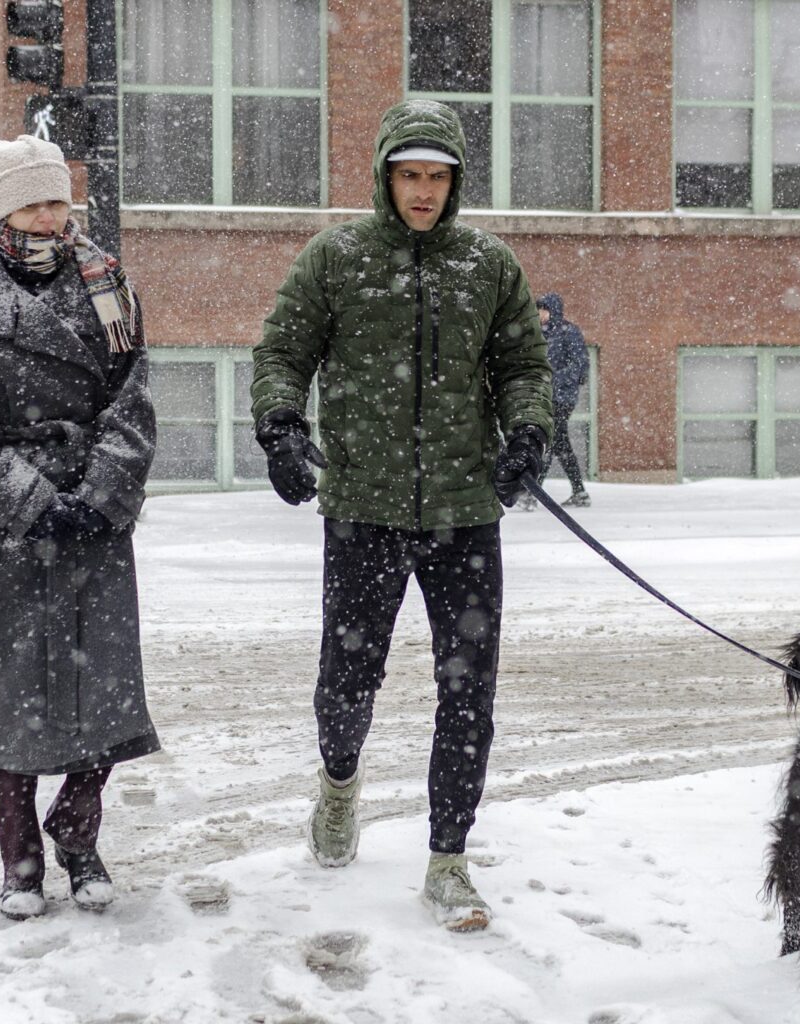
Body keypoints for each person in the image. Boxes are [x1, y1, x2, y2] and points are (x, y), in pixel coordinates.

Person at [250, 100, 553, 932]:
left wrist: (528, 430)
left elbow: (524, 363)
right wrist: (280, 425)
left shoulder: (488, 267)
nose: (423, 191)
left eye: (438, 176)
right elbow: (283, 350)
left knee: (468, 692)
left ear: (457, 182)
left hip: (463, 510)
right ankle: (339, 787)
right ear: (386, 175)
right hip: (364, 506)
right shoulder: (337, 259)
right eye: (410, 175)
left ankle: (449, 858)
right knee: (348, 678)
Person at [0, 134, 158, 921]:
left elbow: (133, 399)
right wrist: (32, 503)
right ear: (2, 207)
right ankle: (21, 862)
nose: (47, 216)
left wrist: (97, 496)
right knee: (12, 699)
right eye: (31, 202)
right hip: (8, 526)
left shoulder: (107, 281)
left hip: (97, 515)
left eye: (57, 200)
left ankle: (80, 834)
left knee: (104, 690)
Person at [522, 293, 591, 509]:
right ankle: (579, 492)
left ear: (553, 311)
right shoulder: (540, 335)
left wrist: (552, 380)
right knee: (559, 443)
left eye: (544, 310)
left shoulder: (568, 333)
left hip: (561, 398)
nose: (540, 314)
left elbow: (580, 367)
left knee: (550, 441)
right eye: (538, 310)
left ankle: (533, 494)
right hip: (547, 397)